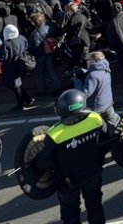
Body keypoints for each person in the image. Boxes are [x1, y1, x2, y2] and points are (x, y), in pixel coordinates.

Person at [34, 89, 111, 224]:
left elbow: (43, 162)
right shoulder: (96, 119)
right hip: (93, 173)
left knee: (70, 213)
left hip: (67, 181)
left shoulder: (54, 134)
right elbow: (106, 143)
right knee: (95, 207)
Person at [75, 51, 119, 128]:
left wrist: (77, 81)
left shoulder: (92, 75)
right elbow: (97, 76)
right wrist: (84, 72)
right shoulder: (106, 68)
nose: (87, 62)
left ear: (93, 61)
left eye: (88, 60)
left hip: (97, 107)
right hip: (108, 104)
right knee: (115, 122)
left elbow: (85, 93)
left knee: (94, 127)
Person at [0, 24, 34, 111]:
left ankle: (21, 103)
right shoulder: (22, 38)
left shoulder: (6, 44)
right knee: (17, 84)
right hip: (20, 63)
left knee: (14, 85)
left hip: (10, 66)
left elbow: (2, 57)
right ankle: (28, 99)